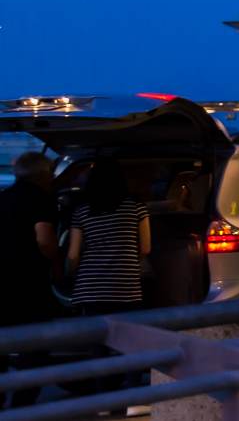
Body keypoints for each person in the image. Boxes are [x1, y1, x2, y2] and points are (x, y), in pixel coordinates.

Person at [1, 151, 61, 407]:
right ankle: (23, 402)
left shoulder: (3, 198)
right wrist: (57, 261)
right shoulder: (40, 199)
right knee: (35, 345)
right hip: (29, 283)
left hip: (2, 282)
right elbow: (44, 239)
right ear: (42, 175)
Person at [67, 159, 150, 318]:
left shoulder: (81, 212)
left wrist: (70, 273)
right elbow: (146, 248)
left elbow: (73, 255)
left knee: (92, 337)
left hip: (89, 288)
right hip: (126, 287)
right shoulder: (136, 207)